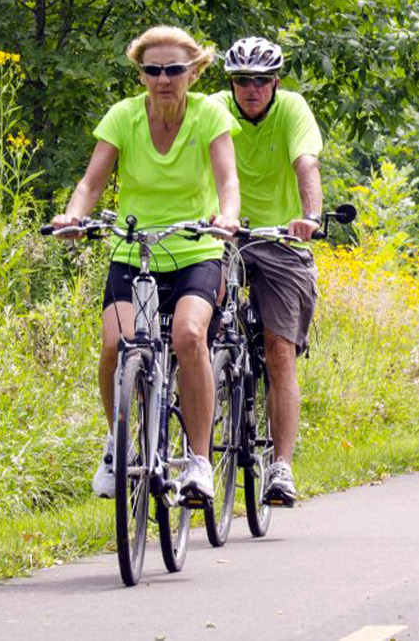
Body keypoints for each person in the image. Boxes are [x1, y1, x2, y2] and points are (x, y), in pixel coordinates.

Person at [49, 26, 241, 504]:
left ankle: (198, 463)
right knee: (116, 342)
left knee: (189, 336)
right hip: (134, 249)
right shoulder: (123, 117)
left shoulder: (209, 115)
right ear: (141, 74)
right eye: (152, 70)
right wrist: (75, 216)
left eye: (174, 69)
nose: (163, 79)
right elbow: (91, 183)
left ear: (194, 72)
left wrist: (229, 217)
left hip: (196, 248)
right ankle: (118, 446)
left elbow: (227, 180)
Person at [207, 36, 323, 506]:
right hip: (223, 233)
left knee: (279, 350)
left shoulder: (292, 109)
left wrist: (309, 217)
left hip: (280, 238)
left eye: (259, 81)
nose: (250, 89)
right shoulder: (213, 108)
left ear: (275, 82)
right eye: (241, 81)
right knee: (196, 327)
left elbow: (306, 164)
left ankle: (281, 467)